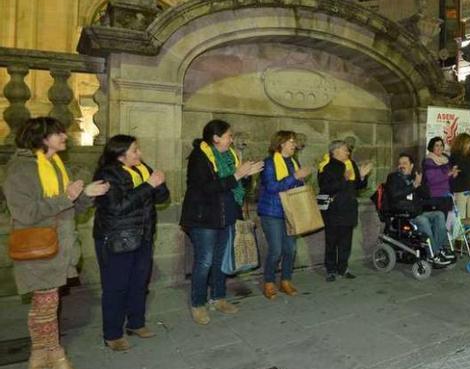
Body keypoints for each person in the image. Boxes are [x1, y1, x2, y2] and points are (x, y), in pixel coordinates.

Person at [2, 117, 109, 369]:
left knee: (45, 305)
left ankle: (38, 357)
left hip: (59, 249)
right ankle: (56, 357)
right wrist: (68, 196)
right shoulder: (21, 169)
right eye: (58, 133)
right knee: (46, 307)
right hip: (39, 251)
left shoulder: (54, 165)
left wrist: (87, 195)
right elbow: (25, 213)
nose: (65, 136)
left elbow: (69, 210)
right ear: (42, 138)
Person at [180, 120, 264, 325]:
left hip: (226, 216)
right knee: (204, 261)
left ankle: (218, 298)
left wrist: (246, 176)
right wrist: (238, 174)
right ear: (216, 138)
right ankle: (198, 304)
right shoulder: (200, 157)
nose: (231, 139)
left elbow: (236, 187)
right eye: (228, 136)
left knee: (221, 260)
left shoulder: (230, 156)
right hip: (204, 218)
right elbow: (206, 188)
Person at [92, 135, 169, 351]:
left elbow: (161, 199)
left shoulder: (141, 168)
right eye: (135, 151)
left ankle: (136, 323)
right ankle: (113, 334)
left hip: (142, 235)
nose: (140, 154)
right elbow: (117, 206)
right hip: (117, 238)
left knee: (139, 282)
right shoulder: (108, 173)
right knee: (116, 287)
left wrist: (159, 184)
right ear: (120, 154)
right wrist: (148, 185)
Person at [256, 131, 313, 300]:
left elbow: (295, 184)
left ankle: (286, 280)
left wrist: (300, 178)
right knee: (276, 250)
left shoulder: (294, 161)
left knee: (291, 249)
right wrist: (295, 176)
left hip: (291, 211)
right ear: (280, 144)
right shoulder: (269, 163)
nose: (294, 145)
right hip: (272, 212)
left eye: (294, 142)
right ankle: (269, 282)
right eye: (291, 142)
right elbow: (272, 187)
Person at [385, 153, 454, 263]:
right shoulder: (393, 178)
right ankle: (433, 255)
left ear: (411, 165)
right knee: (423, 220)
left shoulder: (415, 177)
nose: (401, 166)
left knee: (439, 215)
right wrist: (413, 186)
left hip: (416, 211)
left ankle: (438, 249)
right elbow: (394, 195)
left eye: (405, 163)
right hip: (403, 213)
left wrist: (420, 184)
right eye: (400, 163)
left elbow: (426, 195)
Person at [319, 140, 373, 281]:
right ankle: (331, 270)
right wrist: (343, 179)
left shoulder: (351, 164)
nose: (348, 152)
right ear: (335, 151)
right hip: (333, 211)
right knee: (331, 242)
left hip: (348, 209)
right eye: (345, 150)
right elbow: (326, 188)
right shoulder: (327, 167)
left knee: (345, 243)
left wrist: (362, 176)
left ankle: (343, 268)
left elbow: (358, 186)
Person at [449, 133, 470, 218]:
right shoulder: (455, 155)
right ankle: (460, 231)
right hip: (461, 188)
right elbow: (462, 169)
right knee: (461, 216)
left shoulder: (468, 155)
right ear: (462, 143)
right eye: (469, 143)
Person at [422, 137, 458, 214]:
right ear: (432, 147)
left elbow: (448, 176)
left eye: (441, 145)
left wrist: (453, 174)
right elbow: (432, 179)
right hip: (436, 196)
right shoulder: (429, 161)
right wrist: (448, 174)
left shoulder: (446, 159)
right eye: (437, 145)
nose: (439, 148)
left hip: (447, 195)